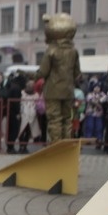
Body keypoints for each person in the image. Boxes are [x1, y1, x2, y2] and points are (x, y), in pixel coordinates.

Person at [38, 13, 82, 144]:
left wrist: (31, 75)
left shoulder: (51, 50)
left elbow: (43, 71)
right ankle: (66, 144)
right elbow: (77, 73)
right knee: (67, 119)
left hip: (52, 90)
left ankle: (56, 145)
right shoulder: (73, 51)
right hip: (68, 90)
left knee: (55, 119)